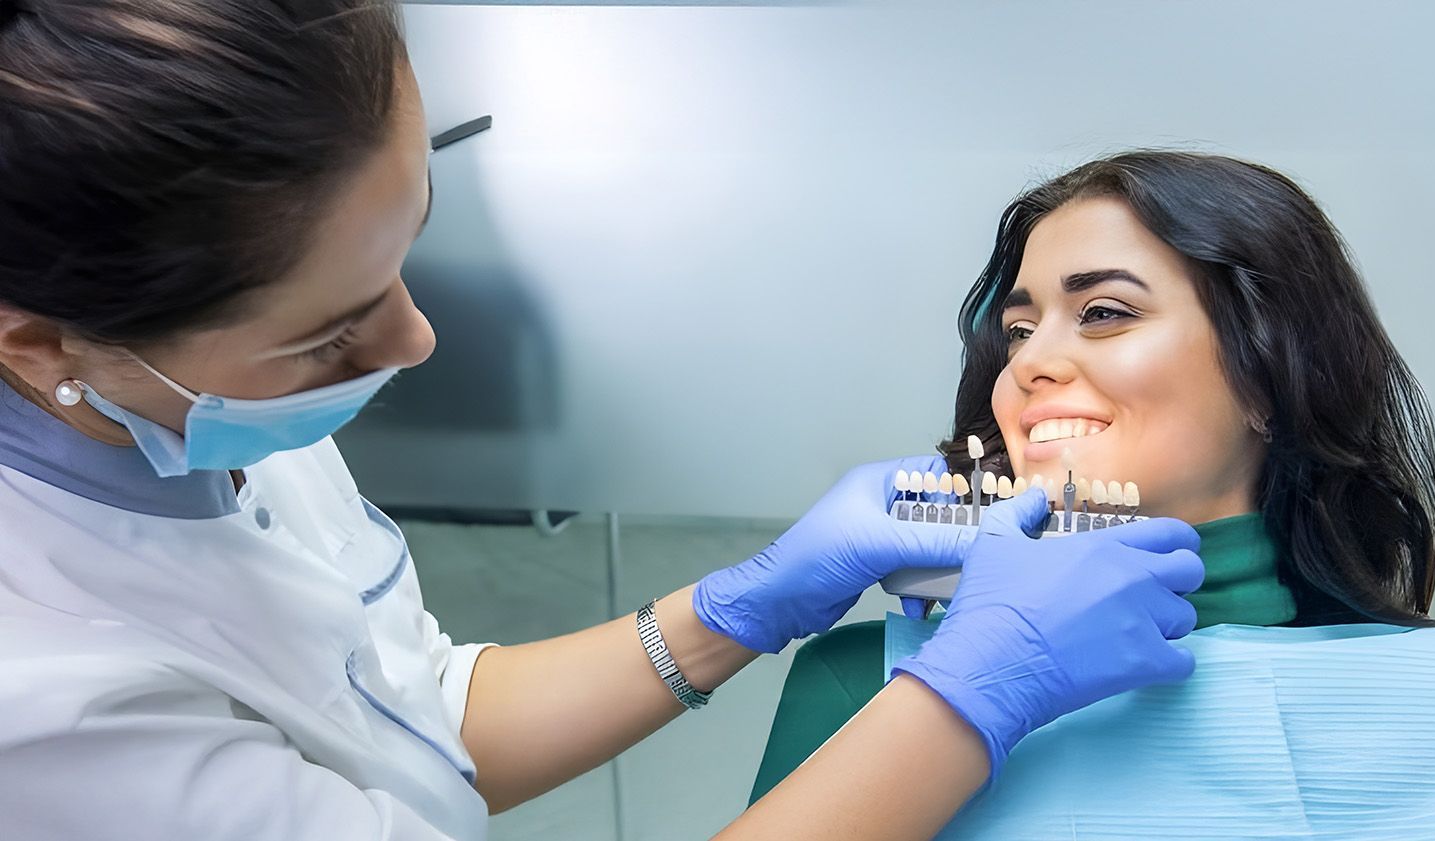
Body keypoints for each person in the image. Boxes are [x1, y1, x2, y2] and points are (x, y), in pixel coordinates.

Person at [0, 5, 1206, 839]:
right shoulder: (42, 719)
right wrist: (967, 699)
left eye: (1104, 312)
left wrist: (741, 604)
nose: (413, 341)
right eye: (329, 332)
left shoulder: (183, 403)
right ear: (46, 347)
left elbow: (412, 711)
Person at [751, 151, 1435, 835]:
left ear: (1267, 379)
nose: (1029, 362)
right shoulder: (863, 679)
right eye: (1017, 329)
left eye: (1104, 312)